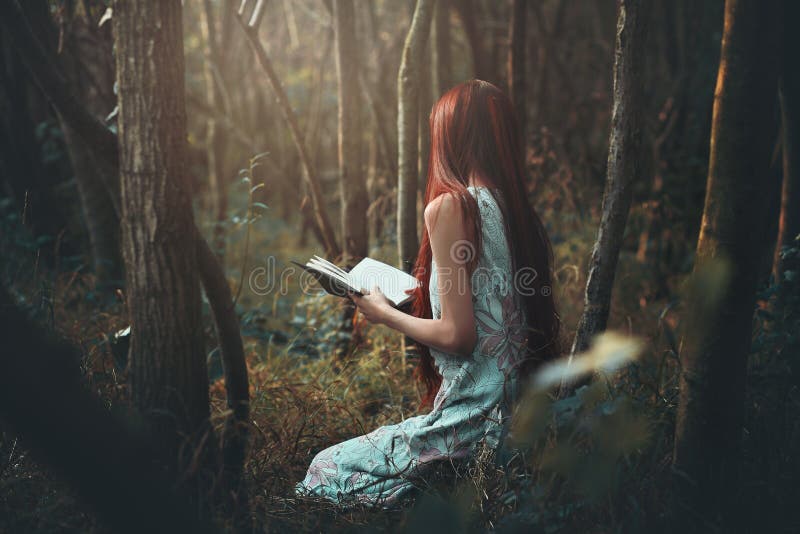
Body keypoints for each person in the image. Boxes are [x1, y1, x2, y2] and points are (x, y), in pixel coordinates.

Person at [296, 79, 561, 506]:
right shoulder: (518, 212)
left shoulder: (452, 207)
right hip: (521, 416)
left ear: (450, 138)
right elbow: (492, 300)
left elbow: (460, 336)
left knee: (323, 468)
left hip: (473, 421)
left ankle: (440, 485)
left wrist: (384, 313)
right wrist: (423, 294)